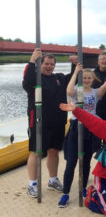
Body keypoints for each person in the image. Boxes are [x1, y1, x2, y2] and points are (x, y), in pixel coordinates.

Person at [58, 64, 106, 207]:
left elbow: (105, 86)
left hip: (90, 128)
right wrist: (75, 73)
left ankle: (83, 189)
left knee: (86, 161)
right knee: (71, 162)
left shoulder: (95, 93)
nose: (86, 80)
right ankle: (65, 193)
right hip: (76, 127)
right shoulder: (76, 91)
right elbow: (68, 90)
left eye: (89, 78)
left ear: (92, 80)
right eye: (84, 78)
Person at [23, 48, 77, 198]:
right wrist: (32, 60)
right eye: (46, 63)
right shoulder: (35, 79)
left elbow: (74, 79)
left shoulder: (59, 77)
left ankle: (53, 180)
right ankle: (32, 184)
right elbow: (26, 83)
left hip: (58, 122)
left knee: (54, 151)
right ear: (41, 64)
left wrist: (74, 65)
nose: (48, 66)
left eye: (51, 64)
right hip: (39, 122)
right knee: (36, 151)